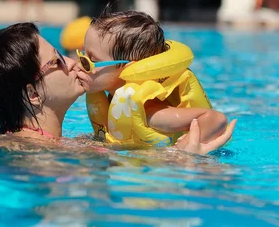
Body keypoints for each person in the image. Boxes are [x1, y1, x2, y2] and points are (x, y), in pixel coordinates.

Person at [0, 22, 236, 155]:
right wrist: (182, 159)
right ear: (33, 94)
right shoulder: (36, 154)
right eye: (57, 61)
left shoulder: (60, 145)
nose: (72, 63)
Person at [82, 9, 230, 148]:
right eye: (81, 55)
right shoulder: (113, 97)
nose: (79, 64)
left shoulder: (150, 111)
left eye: (90, 61)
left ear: (128, 69)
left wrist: (182, 152)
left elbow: (215, 119)